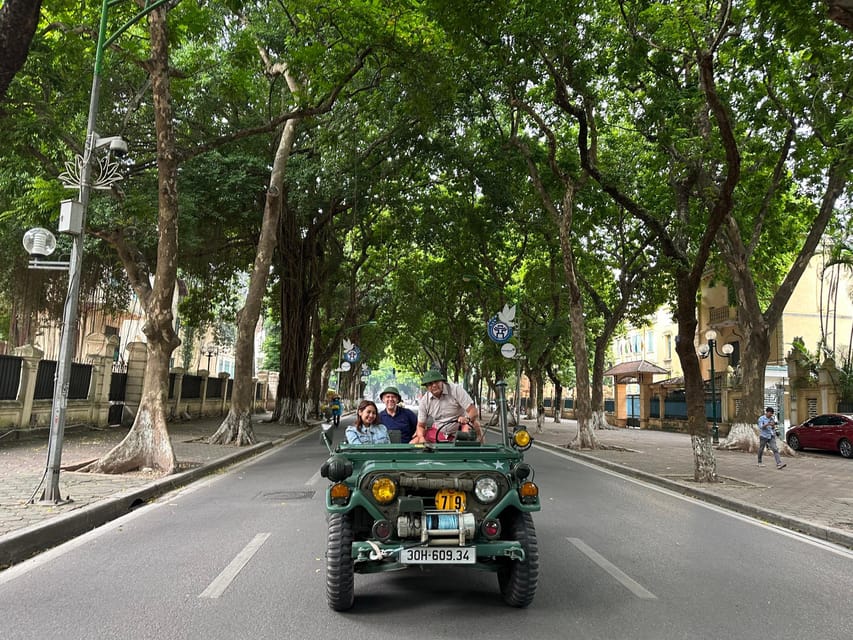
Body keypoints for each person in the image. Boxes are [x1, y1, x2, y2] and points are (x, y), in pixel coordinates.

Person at [410, 370, 483, 444]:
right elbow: (420, 426)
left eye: (436, 382)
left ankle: (482, 453)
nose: (434, 385)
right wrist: (421, 438)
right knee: (413, 443)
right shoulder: (424, 401)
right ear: (427, 387)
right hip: (439, 432)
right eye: (430, 384)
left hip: (459, 429)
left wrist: (467, 419)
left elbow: (473, 411)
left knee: (475, 424)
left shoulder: (456, 390)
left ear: (442, 382)